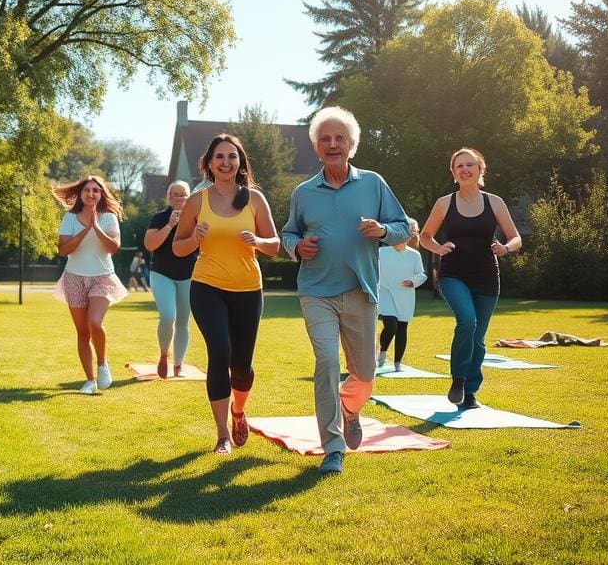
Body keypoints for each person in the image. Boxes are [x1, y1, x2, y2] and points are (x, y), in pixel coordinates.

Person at [281, 106, 410, 476]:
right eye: (326, 139)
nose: (333, 144)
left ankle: (350, 409)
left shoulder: (373, 184)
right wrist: (296, 247)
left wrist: (384, 232)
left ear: (352, 145)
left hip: (360, 290)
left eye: (340, 139)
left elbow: (403, 227)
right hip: (316, 291)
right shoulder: (304, 193)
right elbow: (289, 232)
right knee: (326, 362)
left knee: (365, 373)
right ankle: (333, 447)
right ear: (316, 147)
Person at [173, 134, 280, 455]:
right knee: (219, 351)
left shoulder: (255, 199)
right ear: (209, 163)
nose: (225, 162)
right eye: (219, 157)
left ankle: (239, 412)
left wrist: (257, 242)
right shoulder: (196, 201)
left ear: (240, 162)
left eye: (232, 157)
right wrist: (195, 238)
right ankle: (222, 435)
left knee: (242, 365)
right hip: (207, 286)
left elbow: (274, 244)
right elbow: (179, 248)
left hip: (248, 289)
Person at [419, 147, 521, 409]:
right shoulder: (445, 203)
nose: (465, 169)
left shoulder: (494, 202)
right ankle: (458, 378)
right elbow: (425, 236)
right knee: (467, 321)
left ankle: (470, 391)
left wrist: (506, 248)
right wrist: (438, 248)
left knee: (478, 338)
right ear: (454, 173)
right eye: (459, 166)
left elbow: (515, 237)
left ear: (480, 170)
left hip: (487, 276)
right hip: (453, 274)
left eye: (470, 165)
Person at [53, 176, 127, 394]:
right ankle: (89, 381)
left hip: (102, 277)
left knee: (95, 322)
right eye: (87, 190)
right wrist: (85, 230)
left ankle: (102, 363)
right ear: (80, 194)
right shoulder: (70, 218)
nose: (91, 194)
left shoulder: (109, 217)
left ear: (101, 194)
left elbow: (114, 248)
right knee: (83, 333)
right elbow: (63, 250)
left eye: (96, 190)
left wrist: (96, 227)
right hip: (74, 277)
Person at [143, 181, 197, 378]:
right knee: (168, 316)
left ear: (190, 197)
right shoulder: (159, 218)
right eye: (175, 194)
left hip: (188, 275)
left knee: (183, 321)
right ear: (168, 197)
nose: (180, 198)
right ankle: (164, 355)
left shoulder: (196, 218)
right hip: (162, 273)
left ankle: (178, 365)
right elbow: (150, 245)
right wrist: (170, 225)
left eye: (183, 194)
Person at [377, 218, 427, 371]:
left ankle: (398, 363)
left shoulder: (414, 255)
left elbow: (422, 274)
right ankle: (383, 351)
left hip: (405, 296)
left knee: (402, 327)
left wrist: (412, 281)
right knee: (391, 324)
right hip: (385, 294)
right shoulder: (381, 252)